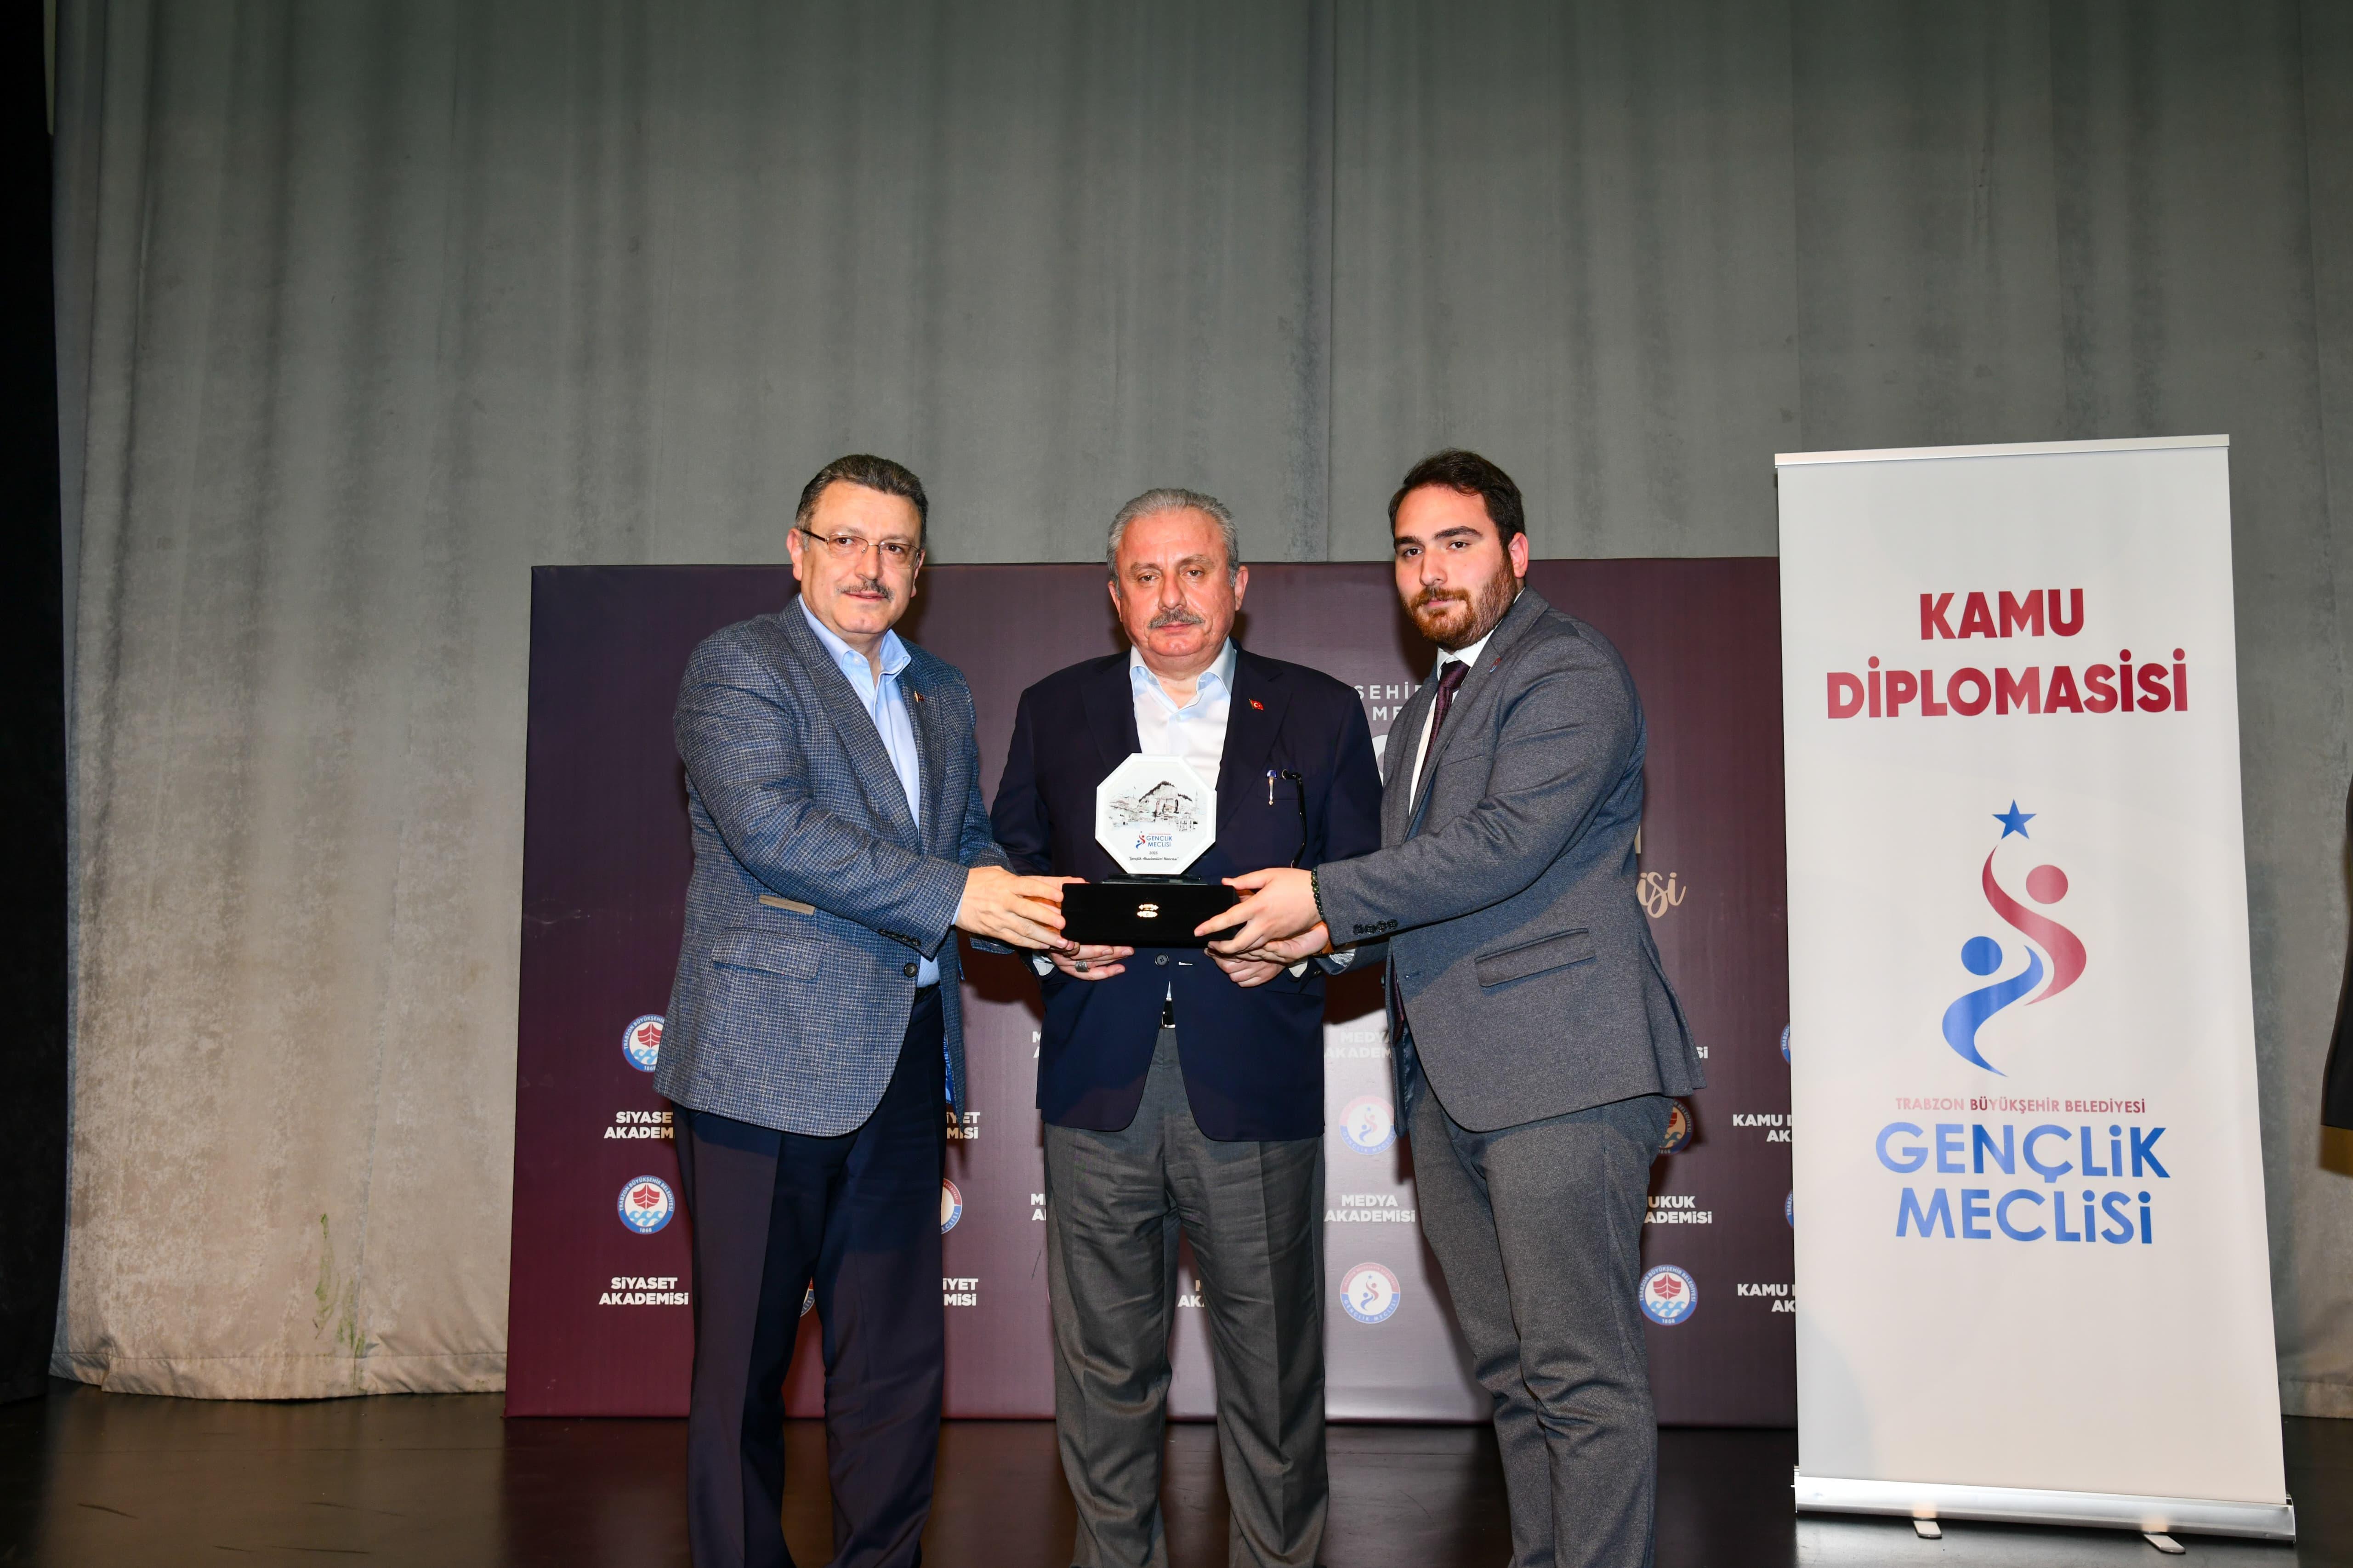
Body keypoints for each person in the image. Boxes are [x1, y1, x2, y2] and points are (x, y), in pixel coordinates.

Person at [1198, 450, 1704, 1568]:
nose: (1430, 570)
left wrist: (1318, 894)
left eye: (1457, 543)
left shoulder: (1566, 667)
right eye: (1410, 550)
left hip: (1565, 1071)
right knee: (1514, 1374)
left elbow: (1502, 847)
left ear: (1516, 553)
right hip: (1448, 1079)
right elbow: (1421, 892)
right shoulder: (1427, 708)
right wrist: (1307, 945)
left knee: (1579, 1374)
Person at [655, 454, 1074, 1568]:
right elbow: (775, 831)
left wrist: (1034, 915)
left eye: (894, 546)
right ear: (797, 550)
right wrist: (961, 895)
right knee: (743, 1368)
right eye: (845, 539)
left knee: (894, 1368)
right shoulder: (739, 665)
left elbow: (966, 844)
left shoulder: (942, 689)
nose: (869, 565)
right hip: (761, 1063)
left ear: (920, 568)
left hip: (903, 1061)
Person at [989, 488, 1383, 1568]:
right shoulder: (1053, 707)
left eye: (1194, 570)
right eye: (1146, 575)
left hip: (1252, 1079)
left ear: (1237, 585)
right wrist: (1048, 942)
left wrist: (1304, 942)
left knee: (1272, 1374)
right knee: (1104, 1375)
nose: (1172, 596)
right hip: (1097, 1080)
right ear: (1115, 594)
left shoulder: (1318, 710)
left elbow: (1371, 885)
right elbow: (1010, 862)